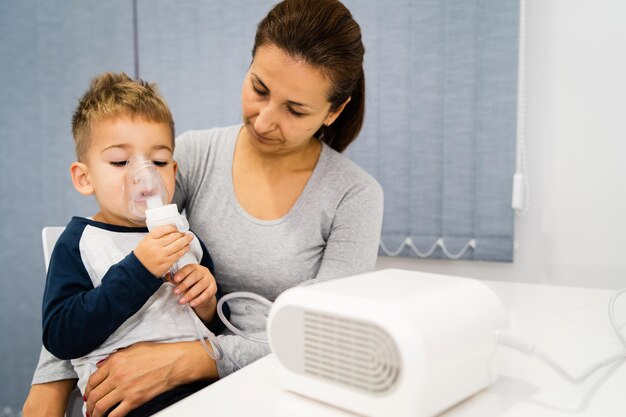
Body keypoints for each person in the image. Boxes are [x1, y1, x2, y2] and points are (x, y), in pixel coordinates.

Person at [23, 1, 383, 416]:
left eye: (295, 109)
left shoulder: (355, 195)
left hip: (279, 388)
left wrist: (197, 358)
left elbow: (328, 335)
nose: (264, 121)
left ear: (334, 111)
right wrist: (47, 389)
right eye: (259, 90)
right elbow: (103, 258)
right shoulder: (191, 155)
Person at [37, 71, 227, 417]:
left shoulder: (185, 237)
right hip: (128, 400)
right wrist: (139, 270)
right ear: (85, 177)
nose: (144, 176)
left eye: (158, 162)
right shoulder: (80, 243)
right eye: (120, 162)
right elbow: (61, 335)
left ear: (174, 168)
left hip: (207, 384)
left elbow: (215, 327)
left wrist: (208, 303)